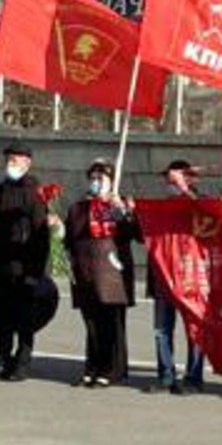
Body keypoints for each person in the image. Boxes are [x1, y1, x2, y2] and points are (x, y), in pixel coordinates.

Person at [0, 142, 54, 383]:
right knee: (1, 316)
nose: (10, 165)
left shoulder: (35, 193)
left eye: (15, 160)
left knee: (25, 317)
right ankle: (1, 359)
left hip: (24, 265)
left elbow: (41, 235)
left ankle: (22, 362)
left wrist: (35, 270)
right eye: (8, 160)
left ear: (27, 163)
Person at [63, 159, 139, 388]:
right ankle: (92, 365)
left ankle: (112, 368)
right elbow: (70, 238)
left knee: (111, 323)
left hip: (112, 273)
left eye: (101, 179)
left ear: (112, 182)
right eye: (93, 178)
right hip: (86, 271)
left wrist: (124, 213)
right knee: (91, 322)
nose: (96, 183)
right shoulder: (78, 208)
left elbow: (135, 234)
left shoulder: (120, 205)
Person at [146, 159, 207, 394]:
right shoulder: (160, 208)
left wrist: (184, 190)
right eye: (168, 180)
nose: (170, 184)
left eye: (175, 179)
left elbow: (209, 222)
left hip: (190, 276)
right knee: (162, 329)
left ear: (190, 179)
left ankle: (194, 377)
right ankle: (166, 375)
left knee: (194, 329)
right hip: (163, 277)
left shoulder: (202, 203)